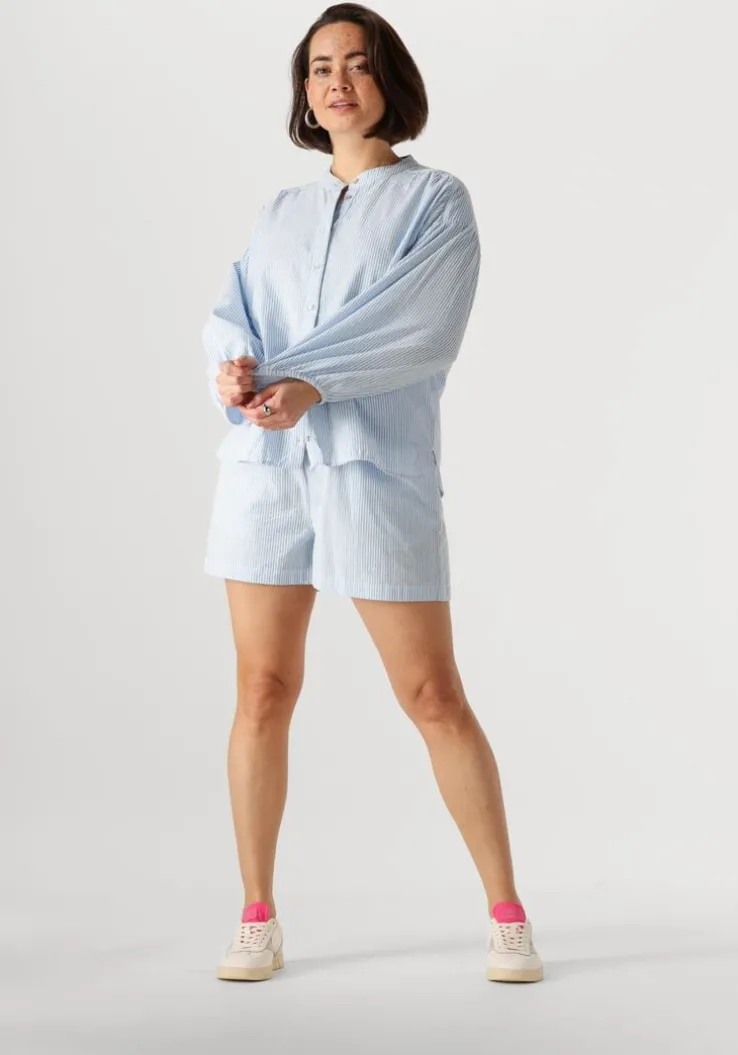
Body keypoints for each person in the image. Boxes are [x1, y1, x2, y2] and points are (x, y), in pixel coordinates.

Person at [202, 2, 543, 985]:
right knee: (262, 689)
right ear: (304, 93)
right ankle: (257, 912)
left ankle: (508, 912)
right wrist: (236, 369)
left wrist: (307, 381)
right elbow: (234, 314)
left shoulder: (436, 201)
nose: (338, 82)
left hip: (376, 469)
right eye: (320, 68)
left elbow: (419, 328)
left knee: (432, 692)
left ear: (390, 78)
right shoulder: (280, 211)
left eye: (356, 63)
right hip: (267, 472)